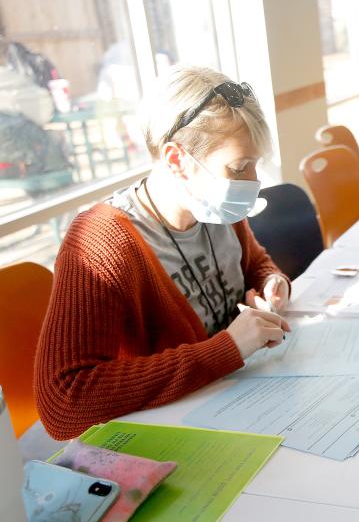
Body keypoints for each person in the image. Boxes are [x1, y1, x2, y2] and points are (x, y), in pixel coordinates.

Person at [34, 66, 292, 440]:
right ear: (176, 160)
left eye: (255, 164)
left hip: (232, 404)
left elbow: (253, 264)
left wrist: (271, 283)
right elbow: (64, 403)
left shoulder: (215, 209)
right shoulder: (101, 242)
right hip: (166, 435)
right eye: (239, 167)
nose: (253, 181)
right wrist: (228, 348)